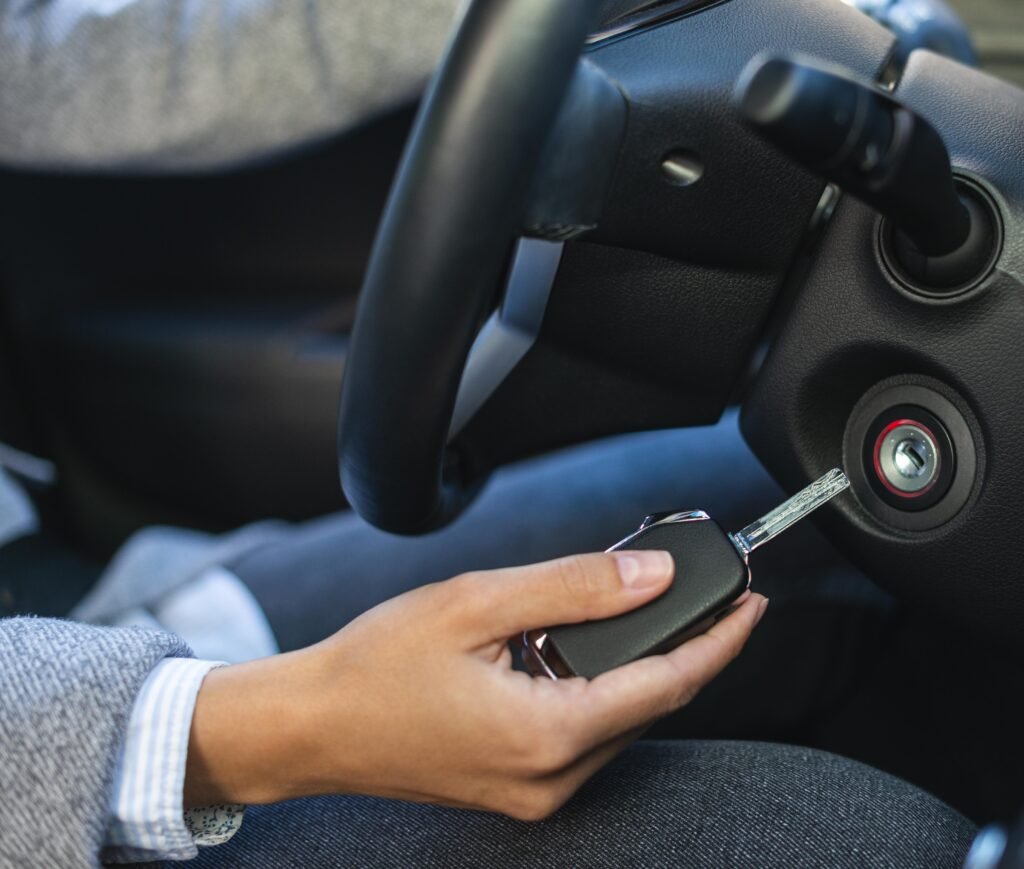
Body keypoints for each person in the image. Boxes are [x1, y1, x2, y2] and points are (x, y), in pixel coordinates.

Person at [0, 1, 982, 866]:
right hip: (85, 787)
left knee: (776, 483)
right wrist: (264, 726)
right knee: (852, 840)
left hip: (76, 630)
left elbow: (108, 56)